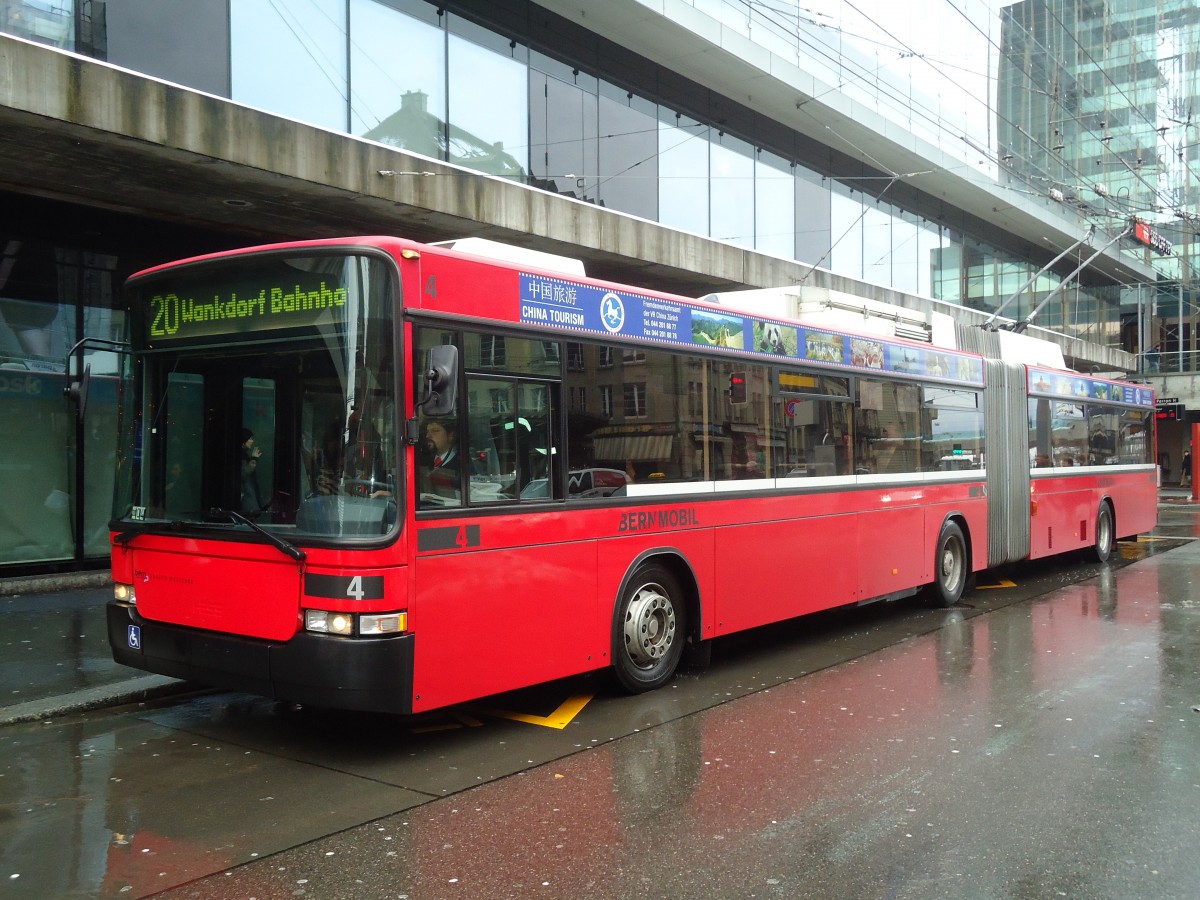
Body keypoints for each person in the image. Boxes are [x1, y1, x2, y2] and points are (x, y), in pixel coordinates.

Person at [423, 418, 461, 499]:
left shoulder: (463, 464)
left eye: (435, 431)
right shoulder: (423, 461)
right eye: (427, 431)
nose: (428, 436)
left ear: (451, 436)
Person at [240, 428, 264, 514]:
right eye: (250, 439)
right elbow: (243, 474)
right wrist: (253, 460)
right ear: (243, 442)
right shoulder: (240, 456)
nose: (252, 441)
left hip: (249, 496)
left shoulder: (245, 455)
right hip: (246, 498)